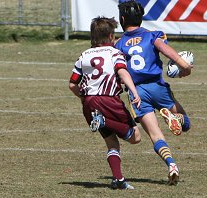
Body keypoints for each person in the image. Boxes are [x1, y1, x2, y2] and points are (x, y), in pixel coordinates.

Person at [115, 0, 193, 185]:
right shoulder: (152, 36)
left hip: (137, 93)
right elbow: (170, 53)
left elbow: (118, 71)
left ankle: (171, 164)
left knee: (155, 135)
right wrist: (185, 67)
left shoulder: (118, 44)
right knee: (186, 123)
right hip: (158, 88)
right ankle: (177, 119)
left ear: (122, 19)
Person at [69, 16, 142, 190]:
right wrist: (134, 91)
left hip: (89, 102)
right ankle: (104, 121)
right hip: (109, 100)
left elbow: (72, 84)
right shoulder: (115, 53)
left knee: (111, 142)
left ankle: (119, 179)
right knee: (135, 137)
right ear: (110, 36)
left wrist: (84, 98)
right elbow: (122, 72)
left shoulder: (84, 55)